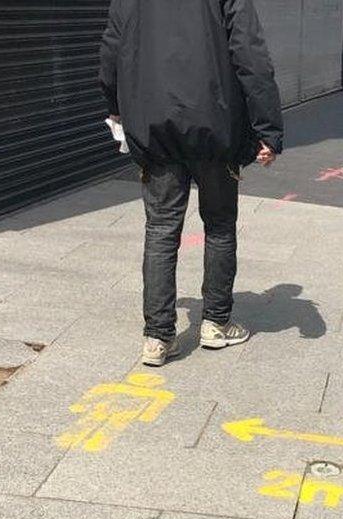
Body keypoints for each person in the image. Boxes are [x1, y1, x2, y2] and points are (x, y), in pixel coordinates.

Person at [99, 0, 284, 366]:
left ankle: (158, 336)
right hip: (215, 127)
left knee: (161, 229)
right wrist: (268, 128)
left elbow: (111, 50)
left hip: (155, 126)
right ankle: (215, 322)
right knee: (218, 224)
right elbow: (250, 54)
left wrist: (115, 104)